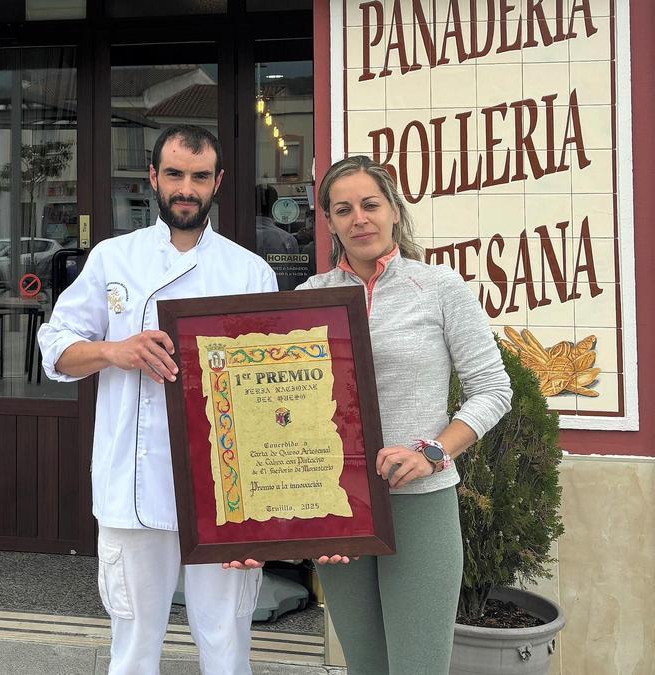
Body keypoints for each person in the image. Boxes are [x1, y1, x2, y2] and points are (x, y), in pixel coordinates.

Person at [37, 125, 278, 674]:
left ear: (218, 182)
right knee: (133, 642)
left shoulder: (248, 271)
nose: (186, 189)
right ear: (153, 178)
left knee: (225, 639)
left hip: (226, 489)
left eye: (198, 177)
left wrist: (265, 508)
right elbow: (55, 348)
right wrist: (114, 350)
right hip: (133, 481)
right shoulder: (112, 258)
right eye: (174, 175)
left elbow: (272, 398)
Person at [300, 155, 512, 674]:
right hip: (340, 506)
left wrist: (433, 452)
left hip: (418, 503)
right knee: (365, 665)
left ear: (394, 210)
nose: (359, 219)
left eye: (371, 204)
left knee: (418, 664)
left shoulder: (438, 288)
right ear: (329, 221)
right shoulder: (310, 298)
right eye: (343, 209)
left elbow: (493, 390)